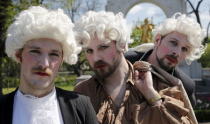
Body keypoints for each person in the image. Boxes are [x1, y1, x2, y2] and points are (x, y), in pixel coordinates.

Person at [74, 11, 197, 124]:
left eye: (103, 47)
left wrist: (153, 98)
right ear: (158, 40)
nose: (96, 58)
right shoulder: (82, 92)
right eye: (89, 50)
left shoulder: (163, 86)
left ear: (121, 45)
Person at [0, 6, 98, 124]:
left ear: (61, 61)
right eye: (35, 51)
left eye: (54, 54)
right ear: (19, 55)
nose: (44, 64)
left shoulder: (81, 107)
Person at [125, 13, 206, 107]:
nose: (177, 52)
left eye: (184, 49)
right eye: (173, 43)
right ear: (157, 40)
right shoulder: (126, 61)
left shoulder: (185, 87)